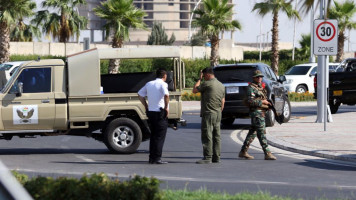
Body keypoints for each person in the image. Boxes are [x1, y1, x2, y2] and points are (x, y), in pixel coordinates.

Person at [239, 70, 277, 160]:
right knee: (261, 133)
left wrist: (268, 104)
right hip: (256, 113)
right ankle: (267, 153)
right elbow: (250, 101)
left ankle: (243, 151)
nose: (260, 78)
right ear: (254, 78)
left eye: (261, 77)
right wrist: (262, 101)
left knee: (253, 132)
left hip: (262, 112)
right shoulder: (251, 88)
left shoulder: (260, 88)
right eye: (257, 77)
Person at [193, 67, 225, 164]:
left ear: (207, 75)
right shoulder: (221, 85)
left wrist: (199, 79)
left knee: (207, 135)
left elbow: (194, 90)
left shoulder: (207, 84)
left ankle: (207, 157)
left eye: (204, 76)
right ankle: (217, 157)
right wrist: (219, 111)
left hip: (208, 113)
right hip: (218, 113)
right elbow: (223, 101)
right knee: (217, 136)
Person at [138, 68, 169, 164]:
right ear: (164, 76)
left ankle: (151, 158)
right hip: (160, 112)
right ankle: (157, 158)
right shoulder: (163, 84)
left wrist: (146, 105)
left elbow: (140, 94)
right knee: (160, 137)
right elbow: (166, 95)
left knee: (153, 136)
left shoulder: (149, 84)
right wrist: (166, 107)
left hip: (151, 112)